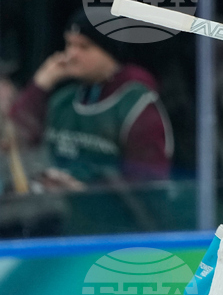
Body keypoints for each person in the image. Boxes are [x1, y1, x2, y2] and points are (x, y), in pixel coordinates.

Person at [8, 11, 173, 187]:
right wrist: (41, 83)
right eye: (69, 44)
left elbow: (149, 185)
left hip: (108, 211)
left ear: (108, 52)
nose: (71, 54)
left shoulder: (136, 105)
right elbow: (15, 139)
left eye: (84, 47)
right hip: (54, 210)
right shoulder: (63, 100)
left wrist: (85, 191)